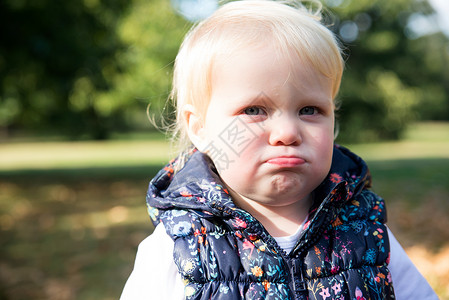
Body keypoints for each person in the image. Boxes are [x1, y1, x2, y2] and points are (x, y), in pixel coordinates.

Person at [121, 0, 438, 299]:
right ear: (200, 129)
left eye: (310, 110)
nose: (287, 133)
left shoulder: (366, 231)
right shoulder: (177, 247)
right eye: (254, 110)